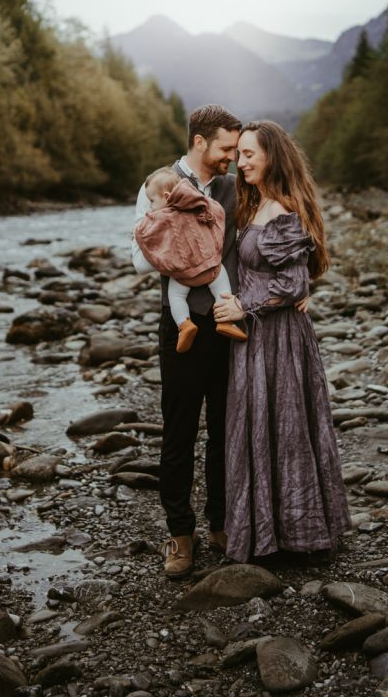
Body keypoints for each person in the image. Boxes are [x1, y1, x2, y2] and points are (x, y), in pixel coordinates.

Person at [213, 120, 351, 563]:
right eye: (239, 153)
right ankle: (265, 531)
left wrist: (243, 307)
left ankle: (297, 534)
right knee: (258, 427)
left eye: (249, 154)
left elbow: (292, 285)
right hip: (257, 337)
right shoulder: (257, 203)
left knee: (286, 428)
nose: (241, 161)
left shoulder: (282, 211)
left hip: (278, 339)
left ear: (272, 156)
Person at [131, 104, 242, 578]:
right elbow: (139, 259)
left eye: (236, 150)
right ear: (199, 141)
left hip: (228, 324)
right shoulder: (157, 185)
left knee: (224, 430)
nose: (232, 158)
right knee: (178, 433)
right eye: (225, 149)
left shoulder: (237, 188)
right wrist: (181, 229)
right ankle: (180, 534)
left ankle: (221, 523)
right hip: (180, 327)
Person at [133, 166, 247, 353]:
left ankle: (184, 324)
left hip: (183, 275)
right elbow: (216, 211)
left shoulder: (158, 218)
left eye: (152, 201)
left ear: (167, 197)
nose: (151, 206)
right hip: (211, 267)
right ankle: (225, 322)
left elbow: (146, 237)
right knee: (223, 290)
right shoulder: (197, 202)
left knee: (176, 297)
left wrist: (137, 232)